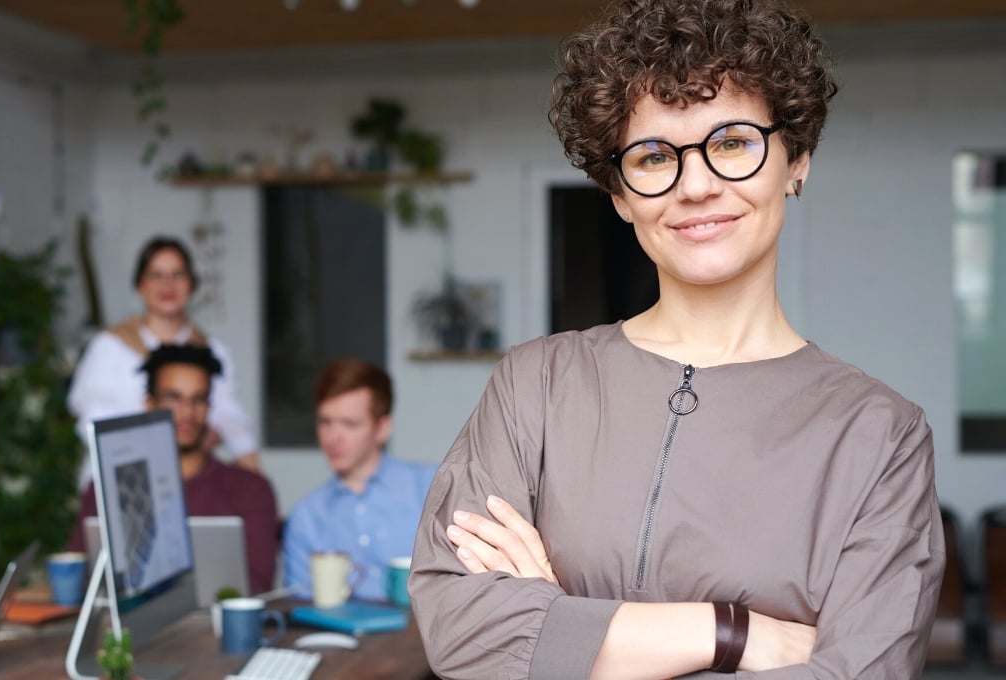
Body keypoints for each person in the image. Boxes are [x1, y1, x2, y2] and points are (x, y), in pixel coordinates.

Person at [410, 1, 944, 677]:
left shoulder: (880, 435)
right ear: (621, 194)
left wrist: (558, 631)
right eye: (655, 155)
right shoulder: (534, 386)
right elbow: (462, 633)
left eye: (731, 144)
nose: (695, 185)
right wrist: (734, 634)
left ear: (797, 160)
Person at [69, 344, 279, 594]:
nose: (187, 413)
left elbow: (257, 586)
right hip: (131, 628)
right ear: (149, 404)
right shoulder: (107, 487)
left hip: (215, 628)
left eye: (198, 400)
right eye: (173, 398)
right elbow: (79, 578)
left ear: (209, 408)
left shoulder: (250, 489)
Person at [67, 236, 259, 483]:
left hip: (188, 482)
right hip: (117, 478)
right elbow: (93, 423)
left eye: (177, 274)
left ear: (191, 284)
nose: (167, 284)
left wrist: (254, 477)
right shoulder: (109, 346)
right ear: (140, 286)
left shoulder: (211, 351)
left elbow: (232, 422)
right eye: (156, 275)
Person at [283, 360, 435, 602]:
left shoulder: (430, 487)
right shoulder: (307, 516)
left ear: (382, 429)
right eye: (325, 422)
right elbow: (300, 608)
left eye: (350, 424)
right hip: (339, 638)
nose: (333, 437)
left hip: (425, 637)